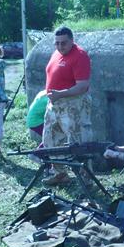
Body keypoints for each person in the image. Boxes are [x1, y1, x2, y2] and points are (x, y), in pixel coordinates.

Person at [42, 26, 93, 185]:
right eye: (56, 43)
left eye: (63, 43)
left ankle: (86, 178)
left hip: (74, 104)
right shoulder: (56, 53)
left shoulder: (80, 56)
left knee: (78, 141)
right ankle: (60, 174)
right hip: (54, 104)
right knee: (50, 139)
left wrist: (60, 93)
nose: (60, 46)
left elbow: (82, 86)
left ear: (72, 40)